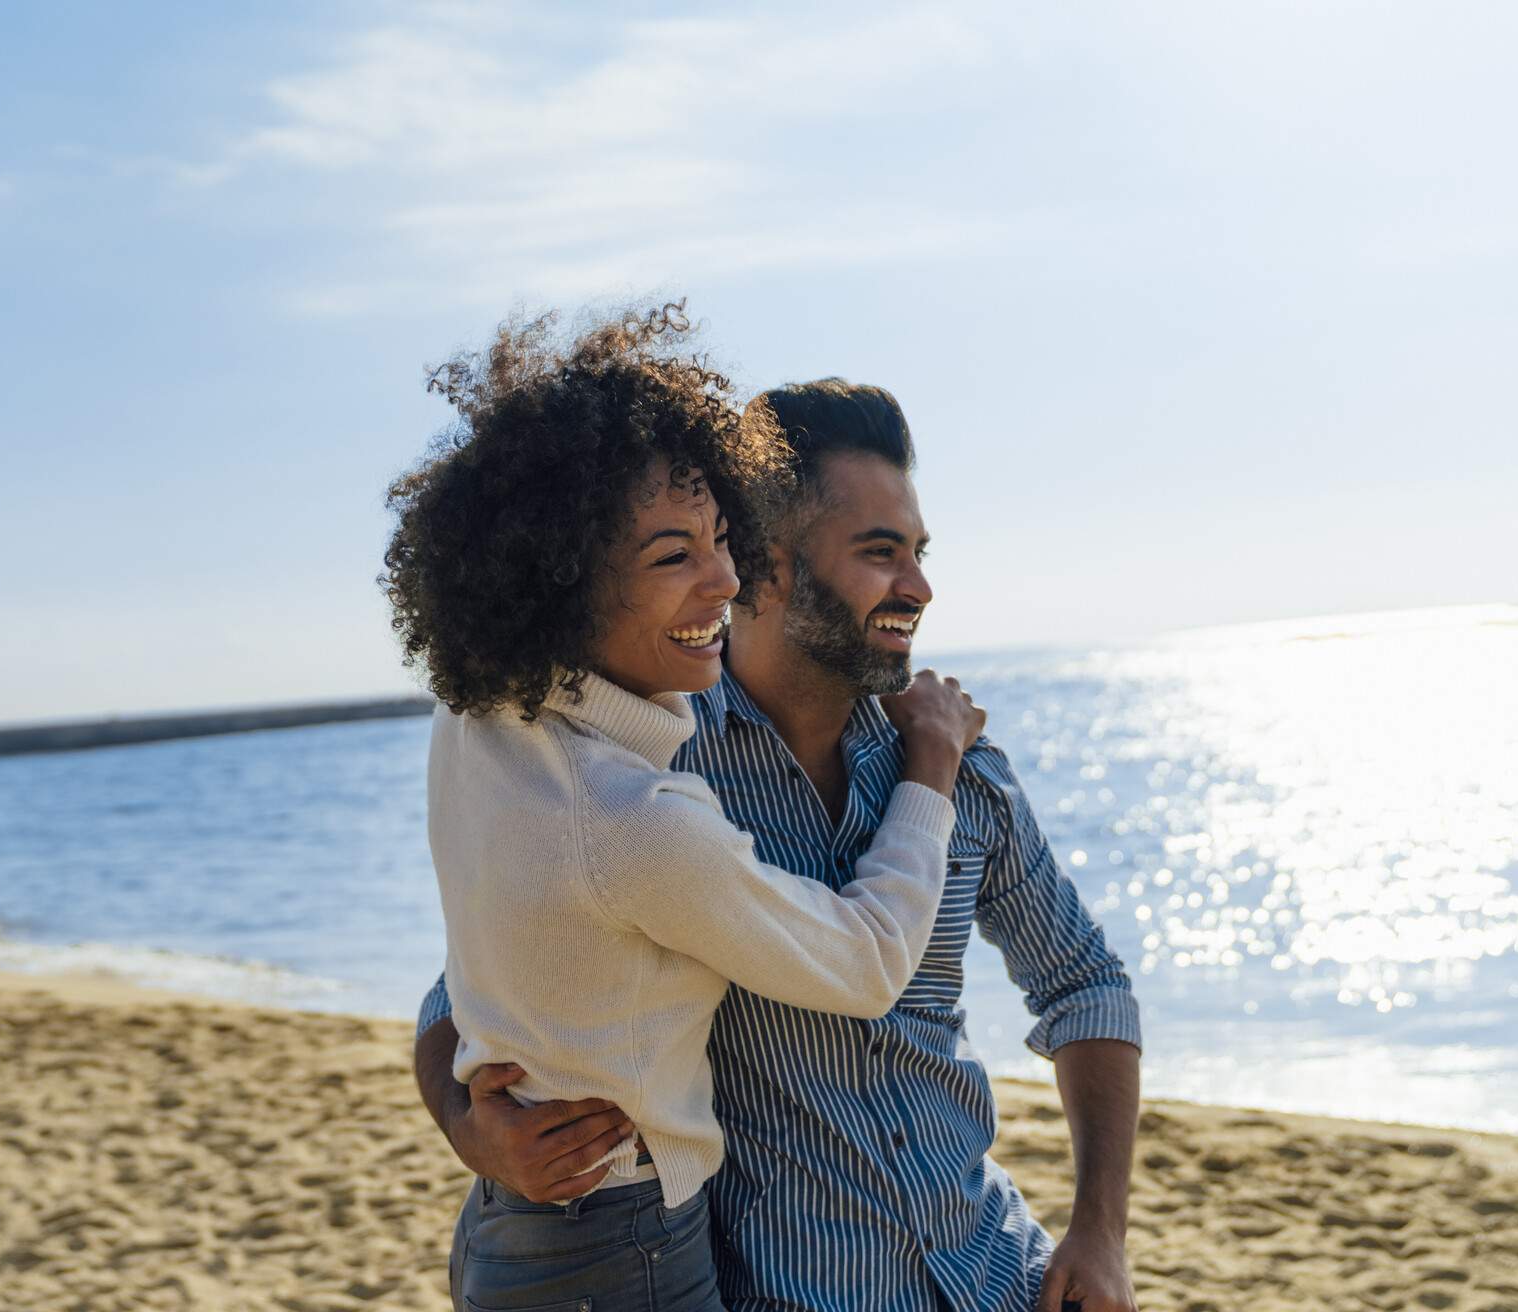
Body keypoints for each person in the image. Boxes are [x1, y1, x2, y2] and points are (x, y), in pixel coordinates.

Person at [415, 378, 1144, 1312]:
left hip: (994, 1272)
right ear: (766, 566)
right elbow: (465, 990)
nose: (919, 587)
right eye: (881, 553)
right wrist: (467, 1128)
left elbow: (1086, 983)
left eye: (919, 553)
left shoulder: (965, 767)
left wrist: (1101, 1231)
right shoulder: (656, 782)